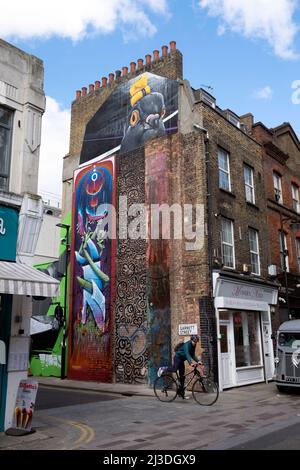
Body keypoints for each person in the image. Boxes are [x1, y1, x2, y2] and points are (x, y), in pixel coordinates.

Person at [157, 335, 202, 399]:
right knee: (174, 368)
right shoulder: (187, 345)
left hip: (182, 360)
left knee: (182, 377)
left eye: (196, 342)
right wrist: (191, 363)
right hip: (177, 358)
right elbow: (187, 354)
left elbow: (192, 355)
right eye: (194, 342)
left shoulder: (193, 346)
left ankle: (181, 394)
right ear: (191, 340)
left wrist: (198, 361)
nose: (195, 343)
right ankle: (162, 369)